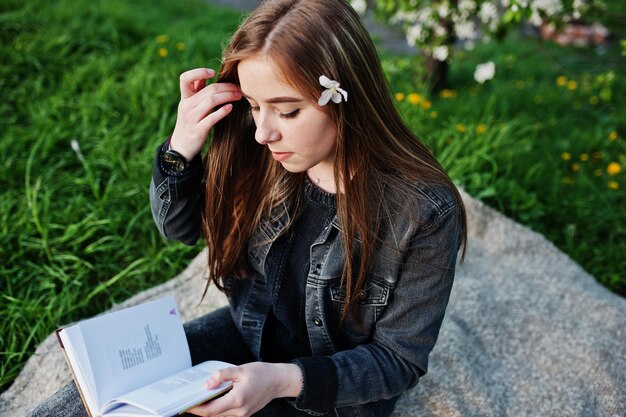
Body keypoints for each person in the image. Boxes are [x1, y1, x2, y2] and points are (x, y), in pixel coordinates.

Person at [28, 1, 466, 416]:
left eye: (288, 111)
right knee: (100, 399)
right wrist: (181, 149)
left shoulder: (423, 211)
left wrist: (279, 380)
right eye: (255, 106)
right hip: (250, 332)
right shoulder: (262, 155)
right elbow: (180, 229)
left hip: (331, 389)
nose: (262, 133)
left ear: (347, 100)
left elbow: (397, 361)